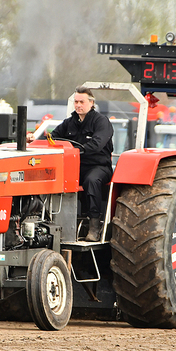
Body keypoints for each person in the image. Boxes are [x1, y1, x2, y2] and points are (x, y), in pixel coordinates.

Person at [49, 86, 114, 241]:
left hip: (99, 166)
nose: (78, 105)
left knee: (91, 180)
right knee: (53, 177)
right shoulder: (69, 123)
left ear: (91, 103)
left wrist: (76, 150)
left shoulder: (101, 122)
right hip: (75, 166)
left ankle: (94, 227)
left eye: (81, 102)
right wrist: (35, 139)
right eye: (76, 102)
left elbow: (97, 144)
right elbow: (53, 139)